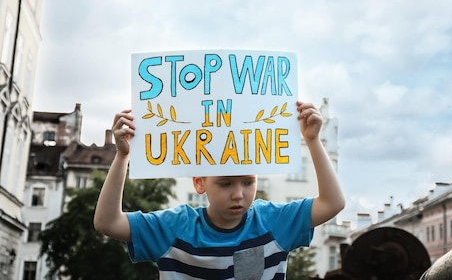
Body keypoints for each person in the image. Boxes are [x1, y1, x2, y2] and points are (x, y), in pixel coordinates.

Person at [93, 100, 345, 279]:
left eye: (248, 182)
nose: (238, 194)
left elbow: (333, 203)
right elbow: (108, 222)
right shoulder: (174, 227)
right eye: (225, 183)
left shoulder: (274, 220)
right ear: (199, 183)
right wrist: (122, 156)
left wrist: (312, 140)